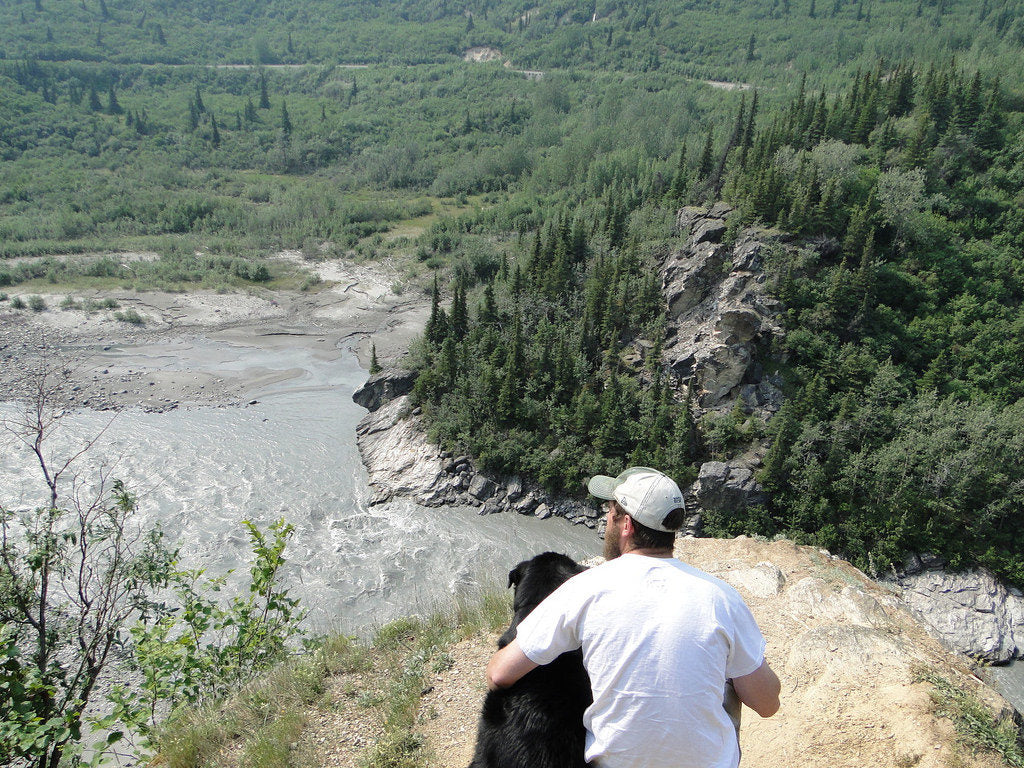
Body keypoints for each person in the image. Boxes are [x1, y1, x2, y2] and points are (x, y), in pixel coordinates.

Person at [486, 466, 780, 768]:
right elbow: (768, 704)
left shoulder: (584, 588)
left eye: (610, 512)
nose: (606, 520)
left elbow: (500, 674)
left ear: (625, 524)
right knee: (728, 673)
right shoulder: (721, 597)